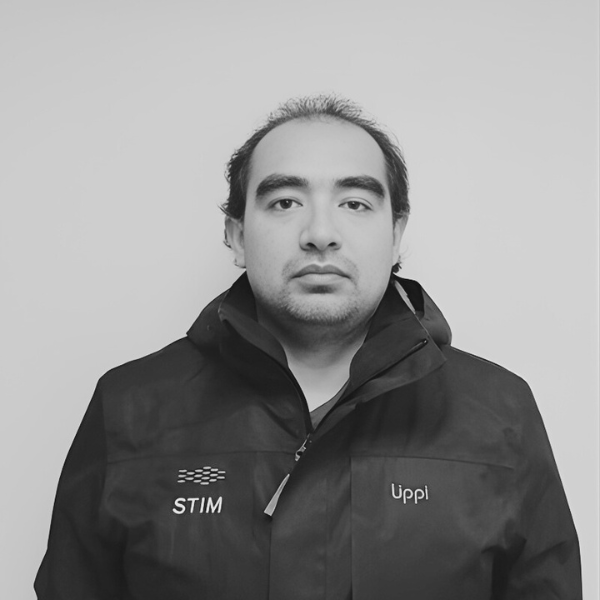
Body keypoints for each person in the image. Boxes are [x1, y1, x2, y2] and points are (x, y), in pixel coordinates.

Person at [35, 95, 581, 599]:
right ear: (236, 235)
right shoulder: (129, 407)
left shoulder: (499, 413)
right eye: (285, 202)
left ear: (396, 234)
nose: (320, 232)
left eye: (356, 203)